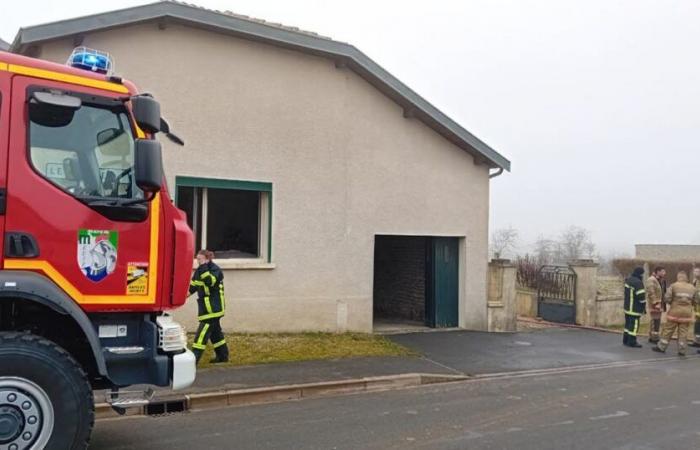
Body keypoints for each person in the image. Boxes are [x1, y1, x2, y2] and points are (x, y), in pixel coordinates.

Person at [189, 249, 229, 364]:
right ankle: (222, 356)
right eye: (197, 259)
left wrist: (203, 267)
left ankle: (193, 360)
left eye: (200, 259)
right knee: (216, 334)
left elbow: (210, 281)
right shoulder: (200, 270)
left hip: (214, 308)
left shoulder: (215, 270)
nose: (198, 261)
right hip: (206, 308)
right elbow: (193, 286)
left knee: (201, 335)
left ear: (207, 259)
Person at [652, 271, 697, 357]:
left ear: (678, 277)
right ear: (686, 278)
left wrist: (673, 303)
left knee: (668, 330)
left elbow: (667, 298)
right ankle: (682, 350)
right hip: (686, 314)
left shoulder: (674, 285)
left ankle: (662, 347)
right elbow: (696, 301)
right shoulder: (692, 288)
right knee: (683, 333)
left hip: (674, 312)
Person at [623, 267, 647, 348]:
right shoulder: (638, 283)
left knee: (627, 325)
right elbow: (641, 297)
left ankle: (625, 340)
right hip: (634, 308)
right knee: (634, 326)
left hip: (627, 308)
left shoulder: (628, 280)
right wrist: (644, 306)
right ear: (640, 274)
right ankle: (632, 342)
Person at [645, 267, 666, 344]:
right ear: (658, 271)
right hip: (655, 304)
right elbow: (651, 292)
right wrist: (655, 303)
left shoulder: (660, 280)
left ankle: (654, 336)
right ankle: (653, 338)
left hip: (659, 304)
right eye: (663, 271)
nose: (664, 273)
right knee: (655, 321)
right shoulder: (651, 280)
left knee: (657, 320)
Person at [690, 267, 700, 349]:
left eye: (697, 271)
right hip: (697, 307)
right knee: (697, 323)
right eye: (695, 271)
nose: (696, 273)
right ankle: (697, 341)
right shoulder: (694, 281)